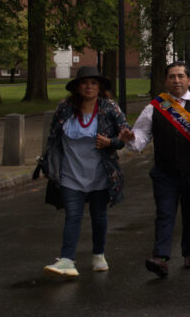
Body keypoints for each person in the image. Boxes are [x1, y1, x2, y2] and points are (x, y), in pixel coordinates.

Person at [119, 61, 190, 278]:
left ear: (189, 80)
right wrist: (131, 139)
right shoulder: (155, 107)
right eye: (172, 76)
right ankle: (161, 257)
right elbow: (142, 137)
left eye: (181, 76)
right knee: (165, 214)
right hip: (165, 172)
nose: (176, 80)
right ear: (166, 81)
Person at [42, 66, 129, 277]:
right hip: (71, 174)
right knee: (73, 216)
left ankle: (98, 255)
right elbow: (53, 137)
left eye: (93, 83)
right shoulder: (65, 107)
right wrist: (49, 164)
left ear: (99, 87)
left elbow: (124, 137)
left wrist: (111, 141)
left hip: (100, 174)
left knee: (98, 216)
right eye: (84, 83)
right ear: (77, 87)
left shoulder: (109, 108)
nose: (89, 86)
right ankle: (67, 260)